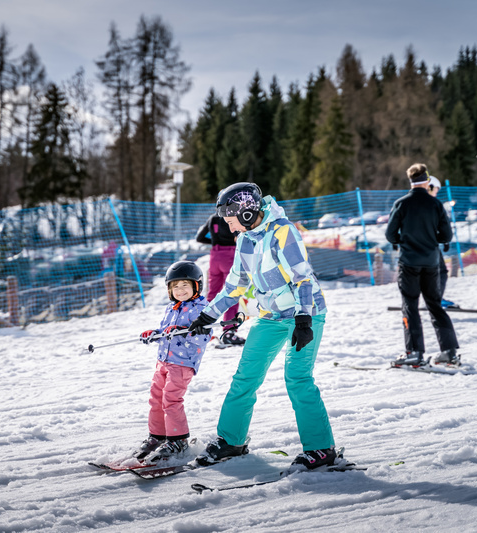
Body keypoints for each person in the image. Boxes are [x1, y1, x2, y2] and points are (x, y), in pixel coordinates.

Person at [187, 182, 336, 472]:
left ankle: (321, 449)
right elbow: (234, 286)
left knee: (297, 378)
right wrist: (208, 315)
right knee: (246, 375)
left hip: (305, 313)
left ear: (244, 213)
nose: (230, 229)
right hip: (270, 316)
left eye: (231, 221)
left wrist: (304, 319)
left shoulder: (283, 232)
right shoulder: (244, 240)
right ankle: (232, 441)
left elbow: (302, 278)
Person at [133, 261, 212, 462]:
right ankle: (158, 436)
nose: (180, 290)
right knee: (156, 397)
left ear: (197, 286)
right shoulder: (171, 308)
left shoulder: (201, 309)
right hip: (163, 361)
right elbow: (166, 331)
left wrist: (185, 332)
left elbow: (204, 336)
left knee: (171, 399)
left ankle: (177, 440)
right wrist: (155, 334)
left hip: (183, 363)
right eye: (175, 286)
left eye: (185, 285)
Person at [385, 164, 460, 366]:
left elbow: (390, 234)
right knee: (435, 305)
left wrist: (405, 239)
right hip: (431, 263)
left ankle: (414, 352)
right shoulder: (435, 205)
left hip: (409, 262)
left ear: (411, 181)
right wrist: (430, 237)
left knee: (410, 306)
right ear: (427, 181)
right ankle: (449, 351)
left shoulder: (402, 204)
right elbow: (446, 235)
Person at [195, 214, 246, 346]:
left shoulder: (212, 218)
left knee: (212, 293)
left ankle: (202, 327)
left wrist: (214, 242)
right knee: (232, 292)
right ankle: (229, 332)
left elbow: (199, 238)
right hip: (229, 254)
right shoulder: (232, 218)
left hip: (215, 256)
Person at [427, 177, 458, 309]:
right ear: (430, 187)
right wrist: (445, 240)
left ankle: (430, 298)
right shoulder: (434, 204)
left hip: (412, 246)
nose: (436, 193)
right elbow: (442, 225)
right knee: (441, 272)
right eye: (436, 190)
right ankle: (436, 299)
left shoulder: (409, 202)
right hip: (429, 246)